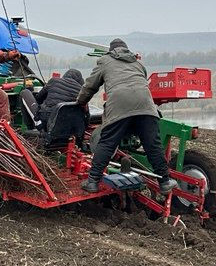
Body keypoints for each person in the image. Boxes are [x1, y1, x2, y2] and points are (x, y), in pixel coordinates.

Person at [75, 39, 178, 194]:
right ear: (127, 50)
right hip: (146, 105)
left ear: (111, 51)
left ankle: (92, 182)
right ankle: (164, 181)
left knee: (107, 143)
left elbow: (90, 85)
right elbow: (141, 80)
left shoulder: (105, 61)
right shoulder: (138, 64)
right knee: (153, 144)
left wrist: (80, 102)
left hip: (119, 105)